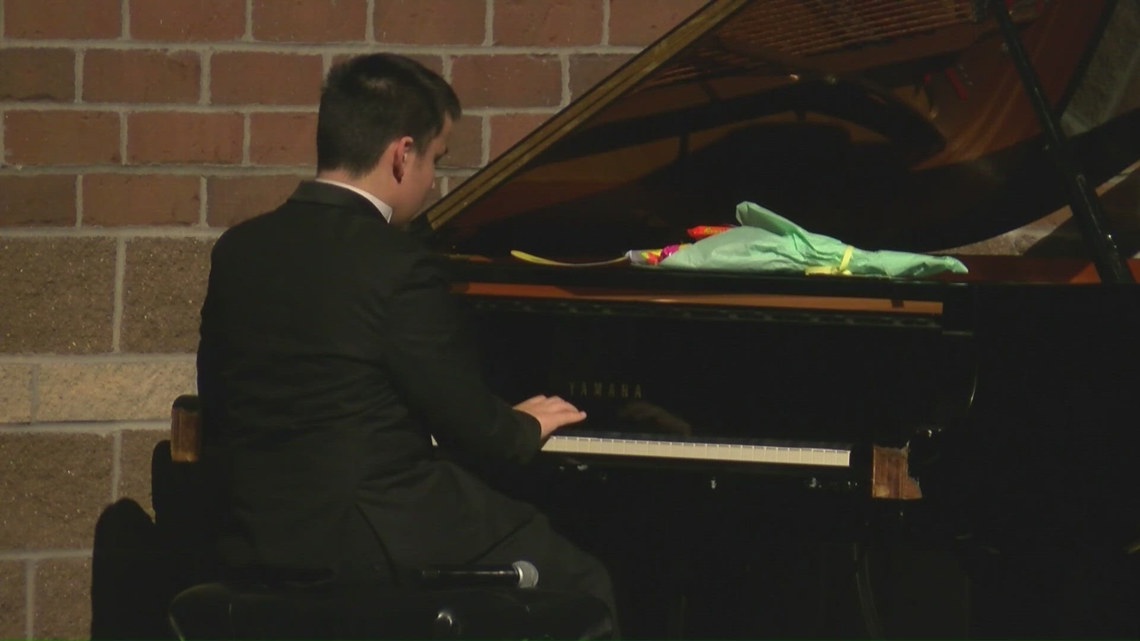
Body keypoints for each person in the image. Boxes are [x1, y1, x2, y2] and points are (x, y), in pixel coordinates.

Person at [196, 53, 616, 618]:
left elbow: (218, 397)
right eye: (436, 159)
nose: (433, 181)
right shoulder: (398, 264)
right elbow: (471, 427)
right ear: (403, 153)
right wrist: (522, 425)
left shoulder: (241, 249)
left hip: (254, 532)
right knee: (583, 584)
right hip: (376, 537)